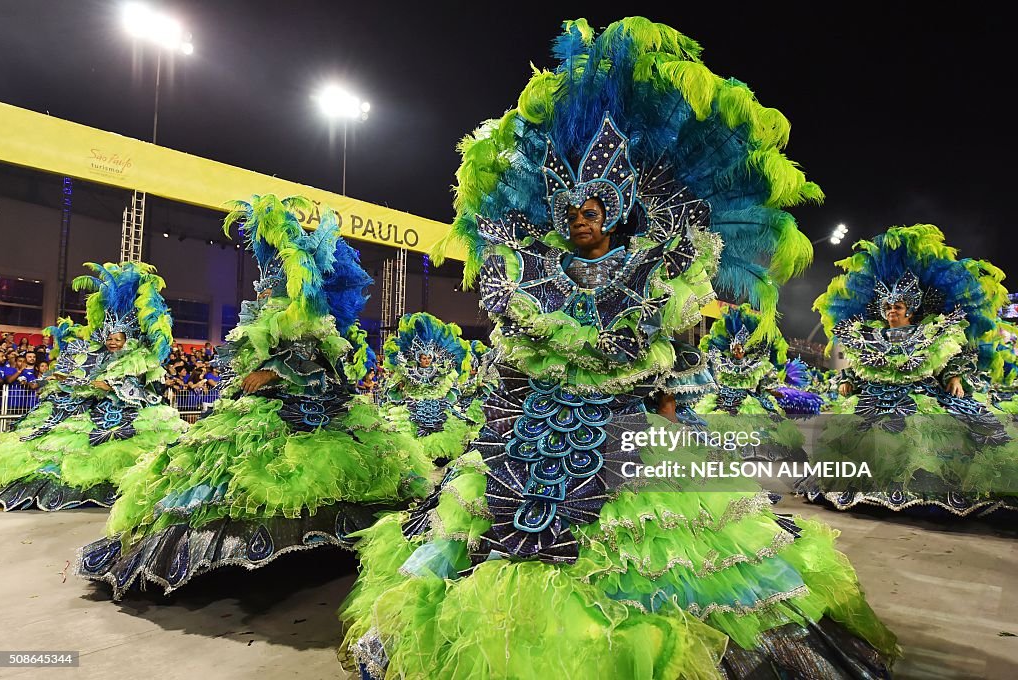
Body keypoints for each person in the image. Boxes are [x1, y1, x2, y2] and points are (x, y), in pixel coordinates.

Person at [338, 18, 896, 679]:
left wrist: (664, 406)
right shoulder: (531, 268)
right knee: (487, 527)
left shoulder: (649, 266)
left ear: (613, 207)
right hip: (535, 428)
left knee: (656, 553)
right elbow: (515, 352)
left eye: (591, 208)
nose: (578, 218)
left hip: (624, 429)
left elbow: (668, 346)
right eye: (568, 209)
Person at [79, 195, 434, 598]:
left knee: (303, 473)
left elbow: (318, 364)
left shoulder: (312, 322)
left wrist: (272, 371)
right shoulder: (261, 320)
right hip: (254, 409)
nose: (264, 297)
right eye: (262, 292)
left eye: (273, 290)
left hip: (304, 413)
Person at [802, 225, 1018, 517]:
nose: (892, 310)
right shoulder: (869, 335)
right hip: (874, 398)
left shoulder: (931, 333)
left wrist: (953, 376)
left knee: (922, 433)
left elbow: (947, 357)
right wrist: (848, 379)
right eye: (888, 305)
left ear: (910, 309)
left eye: (898, 305)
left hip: (918, 394)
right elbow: (859, 365)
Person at [0, 262, 188, 511]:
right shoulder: (96, 355)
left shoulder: (142, 358)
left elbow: (150, 391)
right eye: (109, 337)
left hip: (130, 415)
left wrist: (114, 386)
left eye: (117, 338)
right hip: (92, 408)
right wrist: (68, 380)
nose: (112, 342)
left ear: (127, 339)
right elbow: (82, 376)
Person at [695, 305, 809, 462]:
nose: (737, 352)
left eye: (740, 349)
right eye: (734, 348)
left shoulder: (757, 363)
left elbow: (765, 383)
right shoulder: (720, 362)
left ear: (746, 348)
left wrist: (770, 391)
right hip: (723, 399)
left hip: (749, 399)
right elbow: (712, 378)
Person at [379, 312, 474, 466]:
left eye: (429, 357)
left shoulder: (441, 371)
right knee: (409, 443)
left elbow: (451, 388)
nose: (427, 360)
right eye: (424, 357)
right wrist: (401, 389)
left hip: (437, 409)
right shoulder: (406, 370)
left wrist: (445, 397)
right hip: (411, 408)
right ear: (417, 357)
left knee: (441, 440)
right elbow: (393, 390)